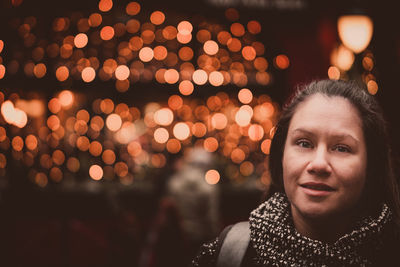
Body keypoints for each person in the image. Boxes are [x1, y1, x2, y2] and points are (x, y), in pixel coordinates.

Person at [191, 79, 400, 266]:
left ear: (371, 166)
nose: (318, 164)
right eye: (304, 143)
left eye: (341, 148)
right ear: (281, 155)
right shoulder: (230, 255)